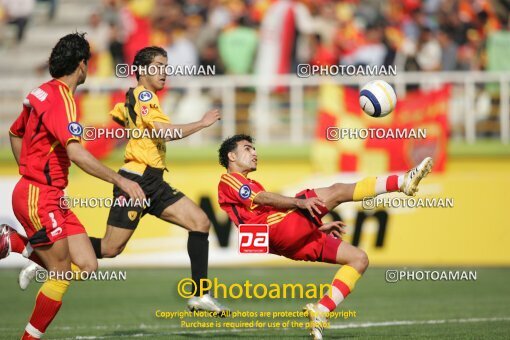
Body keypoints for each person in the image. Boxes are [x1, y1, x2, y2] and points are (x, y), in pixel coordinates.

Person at [16, 46, 228, 312]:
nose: (164, 72)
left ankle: (199, 294)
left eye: (166, 66)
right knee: (108, 248)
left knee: (199, 221)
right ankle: (39, 255)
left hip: (154, 181)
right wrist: (202, 123)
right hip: (136, 182)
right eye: (158, 66)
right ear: (141, 70)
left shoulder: (134, 96)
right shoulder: (145, 96)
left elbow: (121, 115)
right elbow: (163, 132)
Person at [0, 32, 145, 339]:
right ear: (82, 65)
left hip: (48, 194)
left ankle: (16, 244)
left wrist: (26, 166)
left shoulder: (41, 92)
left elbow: (15, 133)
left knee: (88, 264)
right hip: (39, 196)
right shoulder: (63, 100)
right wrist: (120, 180)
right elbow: (77, 153)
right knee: (62, 274)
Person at [217, 134, 433, 340]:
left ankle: (321, 310)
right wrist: (299, 203)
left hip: (283, 242)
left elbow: (259, 226)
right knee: (338, 191)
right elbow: (262, 198)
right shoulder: (230, 180)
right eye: (248, 148)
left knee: (358, 258)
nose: (255, 153)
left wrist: (316, 228)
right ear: (232, 156)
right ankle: (402, 182)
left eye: (254, 149)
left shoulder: (246, 183)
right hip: (278, 230)